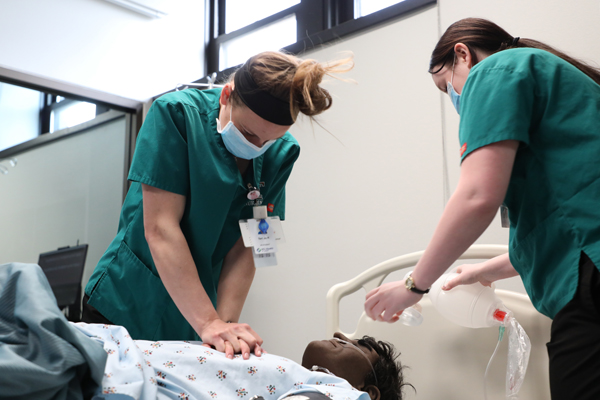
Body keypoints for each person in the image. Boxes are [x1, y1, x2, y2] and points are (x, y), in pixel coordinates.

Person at [364, 17, 600, 400]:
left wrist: (413, 285)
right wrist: (484, 271)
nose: (455, 97)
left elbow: (477, 197)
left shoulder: (495, 70)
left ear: (462, 54)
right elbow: (562, 225)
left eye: (446, 86)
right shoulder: (553, 81)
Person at [82, 51, 353, 360]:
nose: (256, 148)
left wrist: (223, 331)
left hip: (193, 316)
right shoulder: (176, 116)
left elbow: (251, 246)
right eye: (249, 134)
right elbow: (160, 228)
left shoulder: (283, 153)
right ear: (227, 95)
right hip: (125, 302)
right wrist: (208, 321)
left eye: (268, 142)